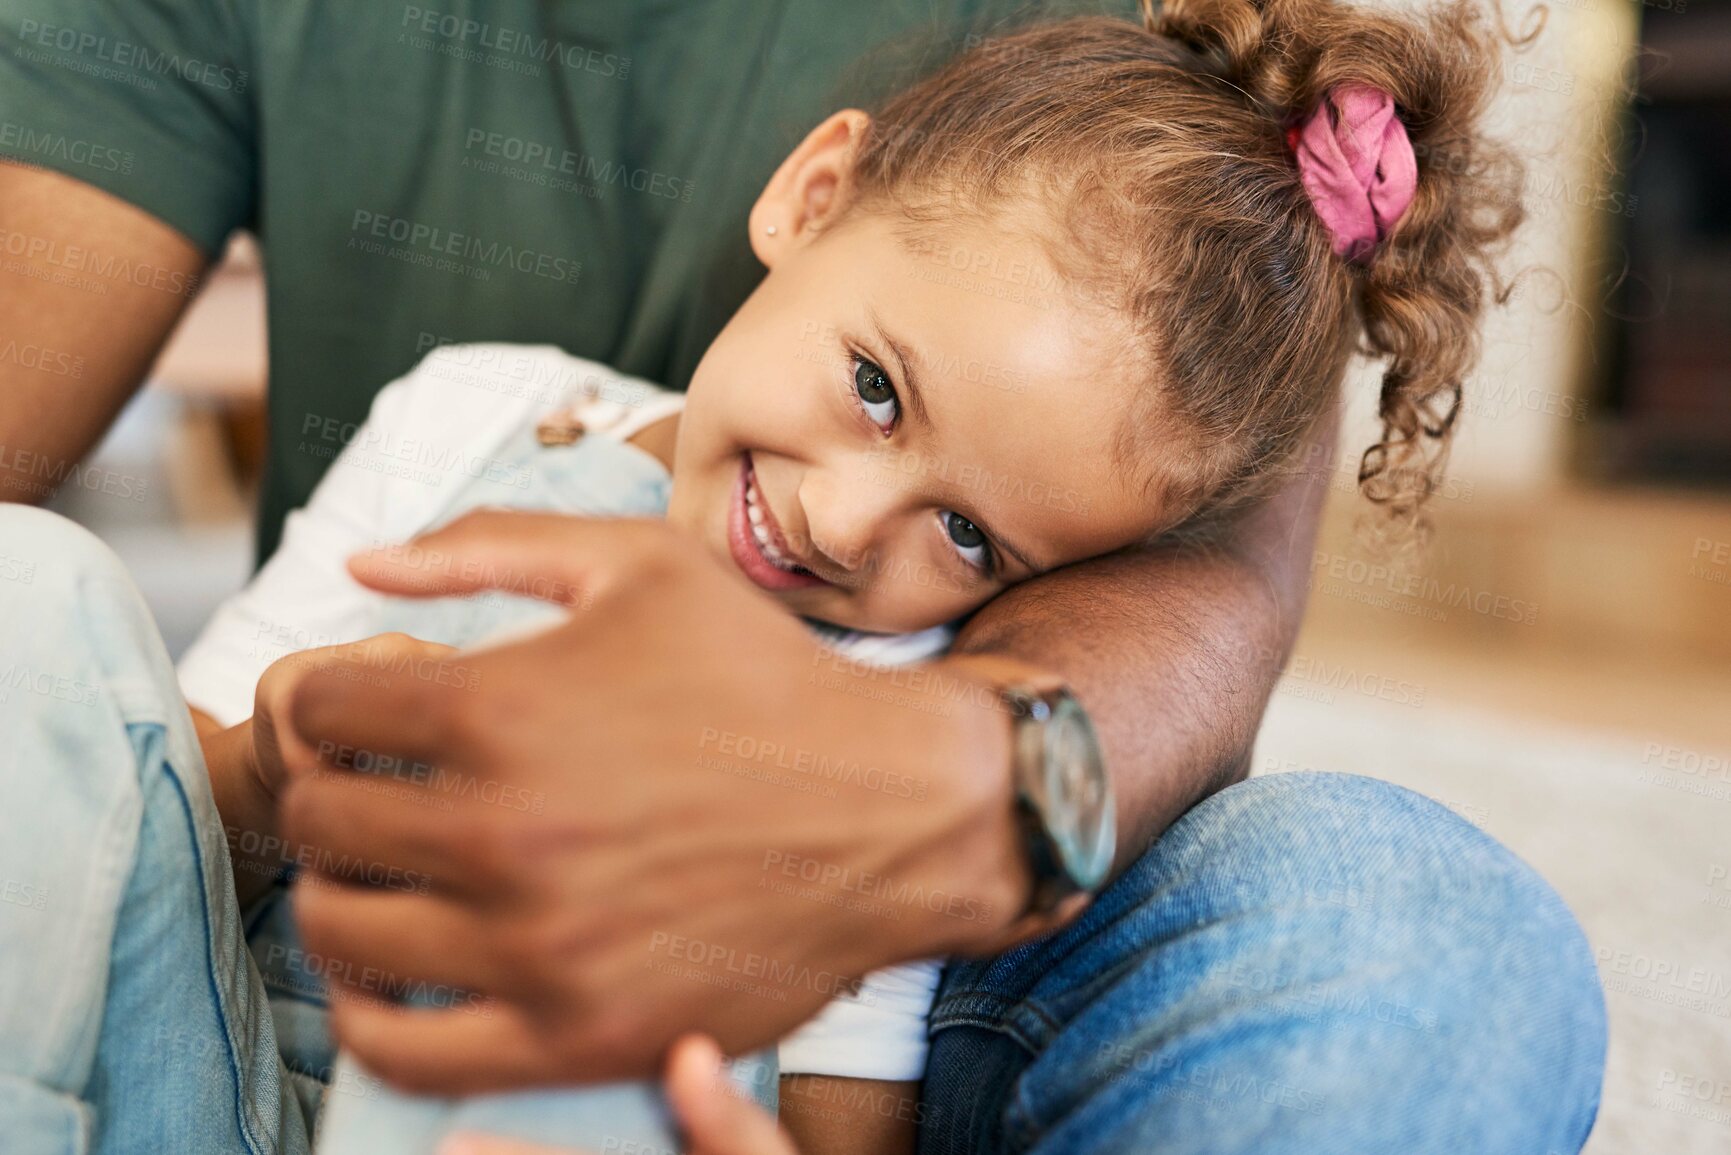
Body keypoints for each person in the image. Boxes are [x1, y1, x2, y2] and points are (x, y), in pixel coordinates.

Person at [0, 1, 1607, 1153]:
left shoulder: (895, 687)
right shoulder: (479, 413)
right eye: (878, 391)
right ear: (814, 194)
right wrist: (281, 766)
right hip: (199, 1077)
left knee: (1424, 918)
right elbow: (143, 828)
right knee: (27, 596)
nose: (851, 525)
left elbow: (845, 1111)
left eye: (973, 537)